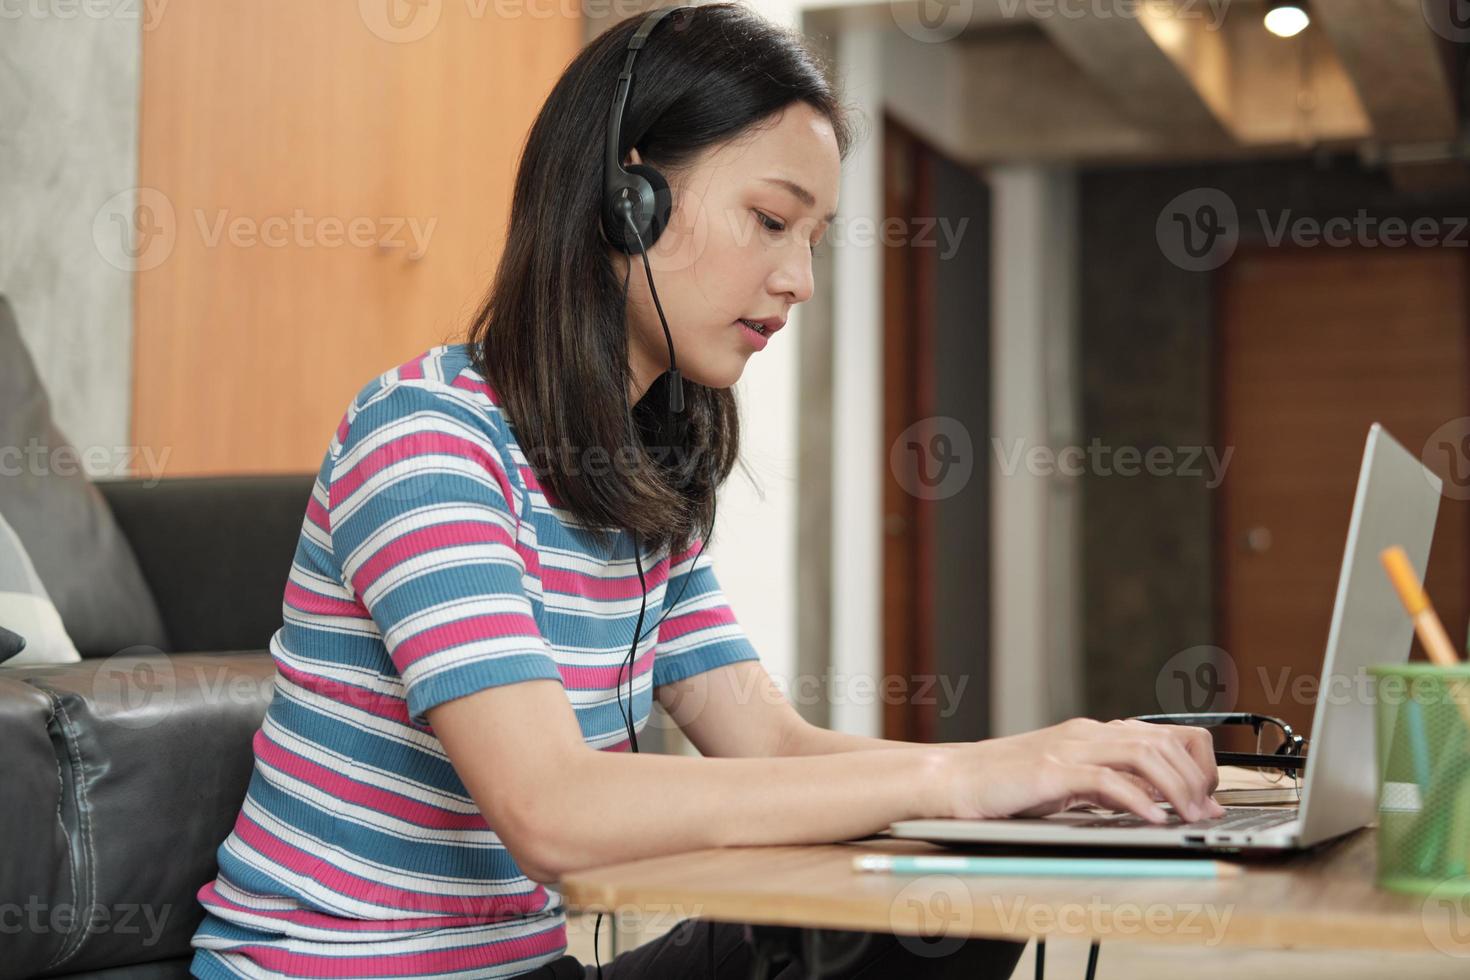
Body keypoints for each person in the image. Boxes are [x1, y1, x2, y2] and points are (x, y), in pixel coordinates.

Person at [189, 4, 1224, 978]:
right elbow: (552, 807)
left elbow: (770, 741)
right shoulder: (426, 439)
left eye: (811, 239)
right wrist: (962, 781)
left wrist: (1033, 775)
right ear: (624, 200)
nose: (798, 282)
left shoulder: (641, 477)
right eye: (772, 220)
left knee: (953, 905)